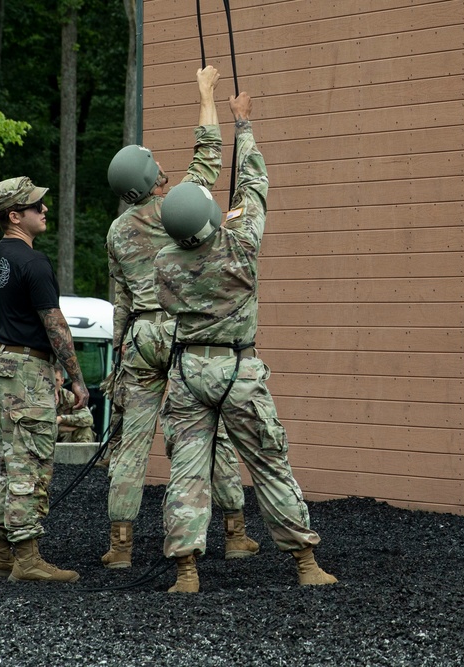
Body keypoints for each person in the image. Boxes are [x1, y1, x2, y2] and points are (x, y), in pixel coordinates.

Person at [153, 91, 337, 592]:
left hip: (188, 373)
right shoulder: (240, 244)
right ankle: (304, 563)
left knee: (187, 473)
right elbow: (254, 184)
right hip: (238, 370)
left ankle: (186, 570)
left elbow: (169, 304)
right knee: (269, 462)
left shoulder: (165, 263)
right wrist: (243, 124)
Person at [101, 65, 259, 569]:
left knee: (132, 442)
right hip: (183, 332)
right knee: (206, 430)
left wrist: (121, 347)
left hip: (141, 336)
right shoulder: (178, 209)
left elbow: (120, 298)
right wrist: (207, 93)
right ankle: (235, 532)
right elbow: (208, 152)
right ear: (152, 179)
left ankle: (120, 546)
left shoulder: (117, 232)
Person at [0, 176, 90, 584]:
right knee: (31, 462)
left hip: (4, 362)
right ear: (14, 215)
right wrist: (76, 379)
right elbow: (55, 325)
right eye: (36, 206)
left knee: (11, 460)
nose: (44, 210)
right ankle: (27, 558)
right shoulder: (32, 261)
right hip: (26, 371)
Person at [53, 364, 94, 443]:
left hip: (64, 439)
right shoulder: (36, 397)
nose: (53, 384)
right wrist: (59, 428)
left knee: (85, 430)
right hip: (42, 438)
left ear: (62, 381)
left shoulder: (68, 397)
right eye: (50, 380)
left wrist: (61, 419)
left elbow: (88, 419)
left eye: (56, 380)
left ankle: (84, 455)